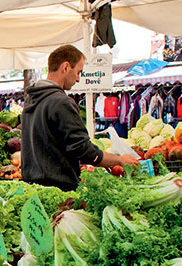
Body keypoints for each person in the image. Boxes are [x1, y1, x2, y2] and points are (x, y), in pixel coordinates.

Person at [21, 45, 139, 189]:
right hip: (59, 188)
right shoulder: (61, 102)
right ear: (65, 67)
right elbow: (82, 149)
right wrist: (118, 160)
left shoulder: (31, 99)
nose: (78, 79)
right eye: (78, 72)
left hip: (32, 187)